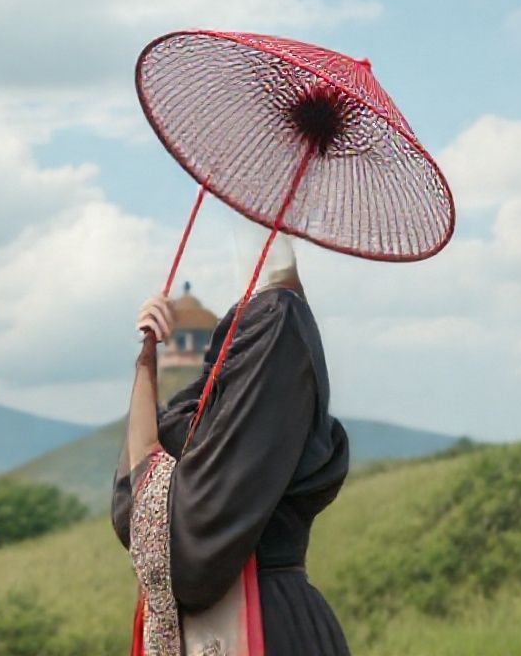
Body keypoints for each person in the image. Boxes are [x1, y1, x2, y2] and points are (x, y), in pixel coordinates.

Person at [111, 233, 351, 655]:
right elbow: (144, 500)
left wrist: (147, 366)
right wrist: (147, 354)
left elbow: (172, 534)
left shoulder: (279, 336)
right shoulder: (217, 399)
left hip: (267, 621)